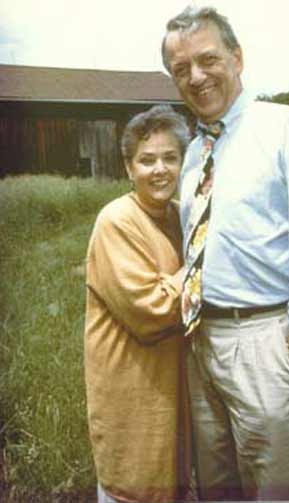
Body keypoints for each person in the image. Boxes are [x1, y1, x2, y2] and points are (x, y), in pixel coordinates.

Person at [162, 6, 289, 502]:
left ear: (237, 58)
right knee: (217, 489)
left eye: (207, 60)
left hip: (267, 341)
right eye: (181, 69)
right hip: (201, 342)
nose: (196, 76)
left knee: (277, 491)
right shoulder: (194, 154)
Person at [84, 105, 192, 503]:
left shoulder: (181, 216)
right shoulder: (116, 220)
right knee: (134, 485)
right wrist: (196, 267)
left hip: (171, 384)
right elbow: (150, 310)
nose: (160, 169)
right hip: (132, 386)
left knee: (172, 483)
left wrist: (175, 279)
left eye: (170, 157)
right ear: (129, 167)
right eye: (147, 160)